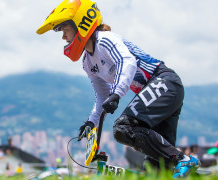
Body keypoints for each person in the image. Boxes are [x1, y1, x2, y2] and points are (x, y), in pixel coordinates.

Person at [36, 0, 200, 178]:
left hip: (165, 82)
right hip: (158, 90)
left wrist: (117, 94)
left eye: (64, 30)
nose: (63, 37)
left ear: (80, 25)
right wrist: (92, 122)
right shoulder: (88, 62)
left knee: (124, 127)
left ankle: (184, 159)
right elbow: (102, 96)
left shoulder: (105, 40)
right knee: (157, 171)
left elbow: (127, 62)